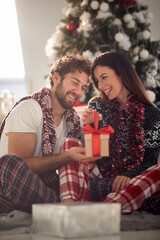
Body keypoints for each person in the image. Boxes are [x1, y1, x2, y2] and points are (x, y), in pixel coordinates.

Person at [59, 52, 160, 214]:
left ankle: (98, 210)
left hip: (132, 182)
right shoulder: (97, 104)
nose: (100, 86)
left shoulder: (152, 114)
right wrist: (93, 125)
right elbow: (94, 154)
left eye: (104, 77)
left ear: (122, 74)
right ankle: (69, 207)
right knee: (69, 144)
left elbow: (150, 160)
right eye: (97, 81)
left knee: (158, 172)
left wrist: (129, 174)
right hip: (100, 179)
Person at [0, 55, 99, 213]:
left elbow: (88, 162)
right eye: (74, 82)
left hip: (45, 191)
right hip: (11, 189)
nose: (78, 92)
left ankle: (64, 205)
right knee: (9, 163)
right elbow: (21, 166)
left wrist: (94, 125)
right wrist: (65, 157)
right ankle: (65, 209)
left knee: (107, 184)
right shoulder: (29, 109)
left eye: (83, 87)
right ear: (56, 77)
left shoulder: (73, 120)